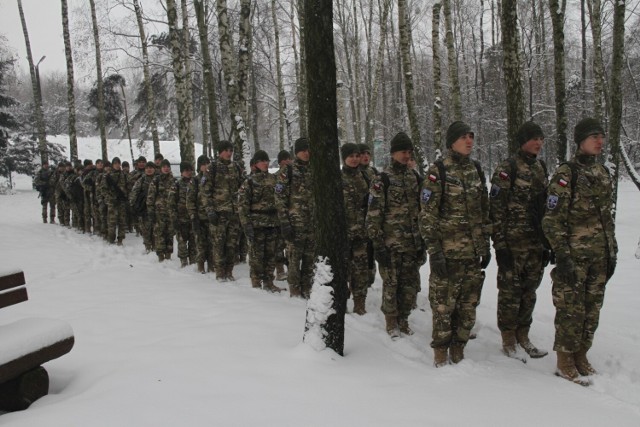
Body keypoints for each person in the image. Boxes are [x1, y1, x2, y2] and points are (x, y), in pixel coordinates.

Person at [542, 117, 618, 385]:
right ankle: (565, 359)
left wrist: (612, 250)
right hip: (574, 256)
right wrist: (562, 255)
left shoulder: (602, 173)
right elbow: (551, 219)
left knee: (591, 309)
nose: (599, 141)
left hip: (599, 255)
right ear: (581, 141)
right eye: (593, 136)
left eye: (601, 136)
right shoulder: (566, 174)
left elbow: (606, 216)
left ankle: (581, 355)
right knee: (570, 310)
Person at [419, 121, 491, 366]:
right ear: (452, 142)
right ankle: (440, 353)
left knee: (468, 306)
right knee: (443, 307)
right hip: (447, 255)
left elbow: (483, 211)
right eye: (463, 137)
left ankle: (459, 348)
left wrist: (485, 245)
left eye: (471, 136)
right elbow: (427, 216)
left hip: (472, 254)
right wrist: (435, 251)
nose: (469, 140)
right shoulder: (438, 171)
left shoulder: (476, 170)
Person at [490, 121, 549, 359]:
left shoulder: (541, 168)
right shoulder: (507, 168)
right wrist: (500, 244)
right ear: (523, 141)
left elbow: (545, 208)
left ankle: (523, 335)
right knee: (509, 292)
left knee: (529, 291)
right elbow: (495, 208)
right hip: (513, 245)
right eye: (534, 138)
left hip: (535, 244)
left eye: (541, 138)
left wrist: (547, 243)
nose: (539, 143)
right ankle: (508, 340)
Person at [366, 132, 423, 337]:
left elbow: (421, 210)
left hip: (412, 243)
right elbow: (373, 214)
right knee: (391, 285)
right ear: (393, 153)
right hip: (390, 244)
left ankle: (404, 319)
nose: (407, 156)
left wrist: (422, 241)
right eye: (403, 152)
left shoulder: (414, 177)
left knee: (409, 286)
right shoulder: (382, 179)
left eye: (409, 152)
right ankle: (391, 322)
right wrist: (378, 244)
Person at [275, 137, 315, 298]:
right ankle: (294, 290)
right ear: (296, 152)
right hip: (294, 225)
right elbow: (279, 198)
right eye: (303, 150)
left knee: (309, 260)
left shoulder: (315, 169)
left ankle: (307, 288)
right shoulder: (288, 171)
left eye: (308, 150)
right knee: (293, 259)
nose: (306, 153)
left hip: (312, 224)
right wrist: (285, 223)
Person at [238, 150, 283, 292]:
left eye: (267, 160)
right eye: (262, 161)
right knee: (257, 256)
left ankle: (269, 281)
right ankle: (256, 283)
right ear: (254, 164)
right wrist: (246, 225)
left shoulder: (274, 179)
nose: (265, 163)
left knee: (271, 255)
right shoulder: (249, 182)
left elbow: (280, 200)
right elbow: (243, 206)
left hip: (272, 223)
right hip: (256, 224)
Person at [203, 141, 244, 281]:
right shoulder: (212, 168)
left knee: (232, 244)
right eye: (226, 150)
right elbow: (206, 192)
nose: (229, 153)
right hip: (219, 213)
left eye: (231, 150)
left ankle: (229, 271)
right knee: (219, 244)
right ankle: (220, 272)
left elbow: (243, 187)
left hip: (234, 213)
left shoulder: (236, 167)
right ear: (220, 152)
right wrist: (210, 211)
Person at [341, 143, 370, 314]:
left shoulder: (366, 178)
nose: (354, 159)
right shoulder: (337, 179)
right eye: (351, 156)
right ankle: (342, 304)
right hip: (343, 236)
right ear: (344, 158)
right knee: (342, 272)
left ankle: (360, 306)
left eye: (357, 156)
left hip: (362, 235)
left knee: (360, 273)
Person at [188, 155, 214, 273]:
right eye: (203, 164)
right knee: (201, 244)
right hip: (200, 217)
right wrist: (193, 217)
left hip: (212, 217)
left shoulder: (213, 178)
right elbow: (190, 200)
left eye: (207, 163)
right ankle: (200, 266)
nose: (206, 166)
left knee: (212, 243)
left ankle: (212, 265)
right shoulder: (195, 180)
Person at [147, 159, 177, 261]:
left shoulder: (174, 181)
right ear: (161, 168)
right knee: (159, 234)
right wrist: (151, 211)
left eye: (168, 166)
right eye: (164, 166)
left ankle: (168, 255)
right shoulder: (156, 181)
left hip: (170, 213)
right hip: (159, 213)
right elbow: (150, 197)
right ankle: (160, 256)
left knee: (170, 234)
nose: (166, 168)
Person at [358, 143, 379, 288]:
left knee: (372, 251)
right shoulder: (354, 173)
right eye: (362, 154)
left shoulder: (374, 172)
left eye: (368, 153)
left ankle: (370, 278)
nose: (366, 157)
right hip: (359, 221)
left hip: (372, 220)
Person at [130, 161, 157, 252]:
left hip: (156, 209)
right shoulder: (141, 180)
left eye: (151, 168)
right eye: (147, 168)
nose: (149, 170)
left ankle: (155, 248)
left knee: (156, 230)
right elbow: (134, 193)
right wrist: (133, 206)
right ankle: (148, 248)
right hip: (144, 209)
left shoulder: (158, 180)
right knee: (146, 230)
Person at [273, 150, 292, 281]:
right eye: (285, 159)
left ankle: (291, 270)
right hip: (279, 216)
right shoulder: (275, 177)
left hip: (293, 215)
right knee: (279, 245)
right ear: (280, 162)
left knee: (290, 246)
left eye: (289, 159)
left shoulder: (293, 174)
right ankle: (280, 270)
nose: (288, 161)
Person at [175, 161, 197, 267]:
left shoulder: (196, 183)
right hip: (181, 219)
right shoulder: (177, 185)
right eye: (186, 171)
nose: (188, 173)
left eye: (190, 170)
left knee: (194, 242)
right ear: (181, 172)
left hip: (193, 218)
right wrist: (174, 218)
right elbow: (171, 203)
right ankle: (183, 261)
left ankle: (193, 262)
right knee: (182, 241)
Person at [103, 157, 128, 245]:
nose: (117, 165)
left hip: (121, 201)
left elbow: (127, 187)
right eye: (115, 163)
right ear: (112, 165)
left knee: (122, 221)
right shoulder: (108, 176)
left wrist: (125, 196)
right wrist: (109, 199)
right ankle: (111, 238)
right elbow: (103, 189)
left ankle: (120, 239)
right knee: (112, 221)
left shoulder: (124, 175)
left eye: (118, 163)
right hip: (112, 201)